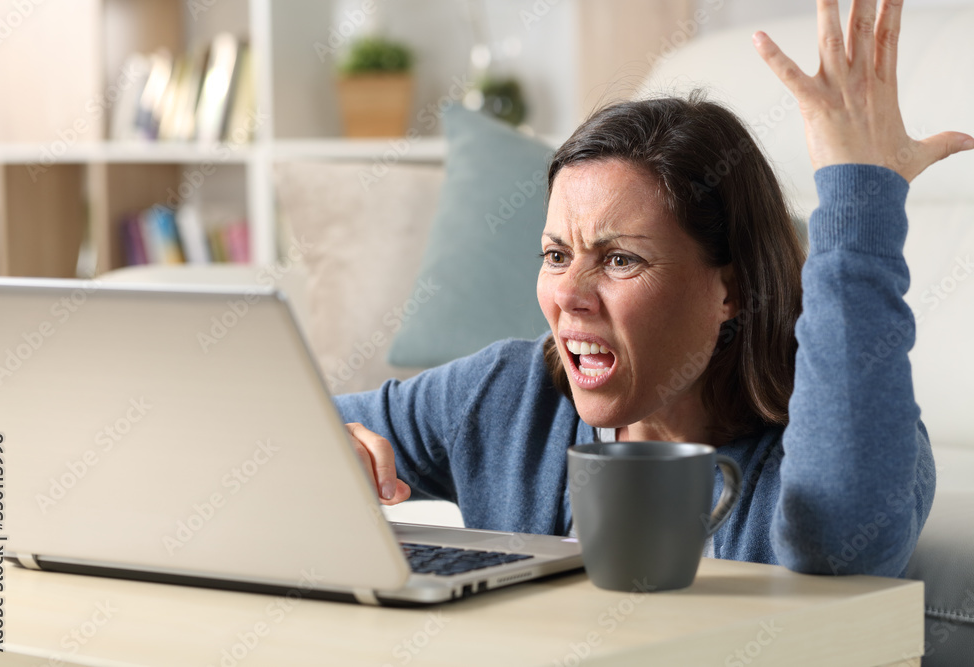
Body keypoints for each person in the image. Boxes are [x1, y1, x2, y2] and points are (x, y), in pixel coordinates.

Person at [334, 0, 974, 577]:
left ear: (734, 289)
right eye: (556, 254)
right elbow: (284, 431)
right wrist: (328, 449)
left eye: (619, 261)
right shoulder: (507, 396)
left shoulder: (845, 435)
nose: (570, 295)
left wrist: (859, 198)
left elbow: (843, 544)